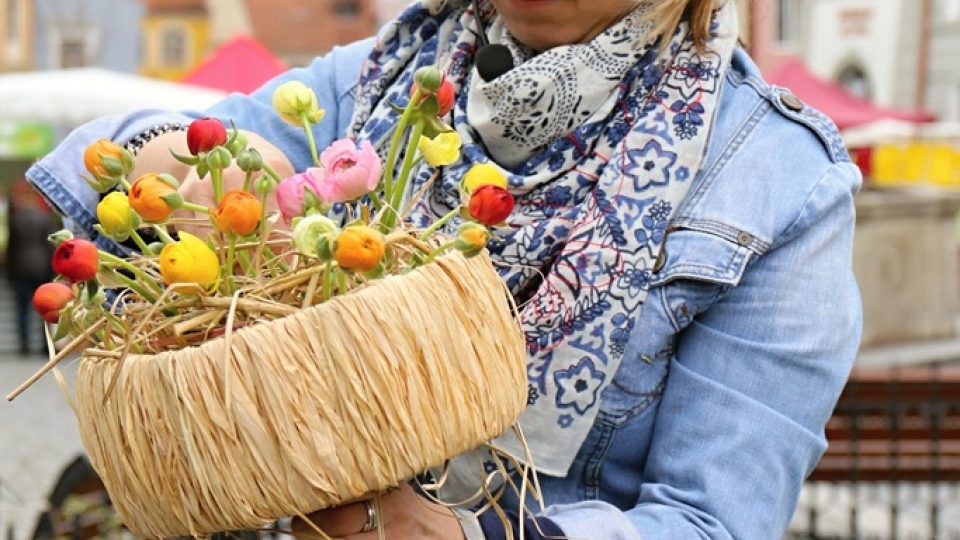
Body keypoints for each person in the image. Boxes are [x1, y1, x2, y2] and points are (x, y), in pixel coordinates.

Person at [26, 0, 862, 537]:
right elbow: (122, 164)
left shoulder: (783, 181)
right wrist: (186, 168)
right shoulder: (375, 80)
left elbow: (712, 522)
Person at [6, 177, 58, 356]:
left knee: (22, 308)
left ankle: (24, 345)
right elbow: (51, 245)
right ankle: (45, 345)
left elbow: (11, 248)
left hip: (20, 268)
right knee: (44, 309)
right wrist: (53, 271)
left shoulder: (15, 219)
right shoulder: (45, 218)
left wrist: (9, 272)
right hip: (42, 268)